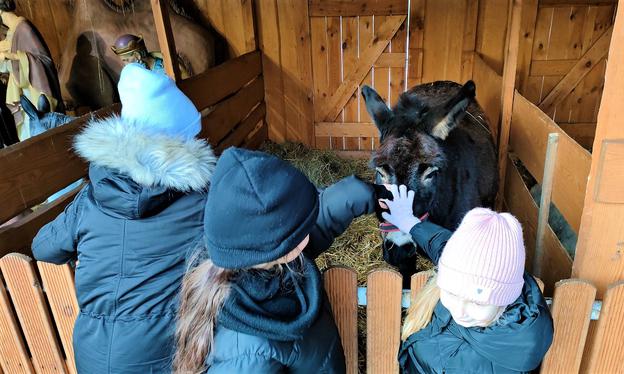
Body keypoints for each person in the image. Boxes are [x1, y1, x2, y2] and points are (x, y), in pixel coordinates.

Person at [31, 63, 214, 373]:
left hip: (91, 352)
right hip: (159, 355)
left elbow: (43, 248)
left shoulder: (91, 199)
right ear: (180, 143)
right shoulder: (202, 202)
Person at [174, 147, 377, 373]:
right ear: (282, 245)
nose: (308, 230)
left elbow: (312, 225)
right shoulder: (248, 356)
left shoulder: (255, 258)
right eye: (301, 227)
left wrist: (357, 194)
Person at [380, 185, 554, 373]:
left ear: (505, 300)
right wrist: (410, 223)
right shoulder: (483, 279)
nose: (460, 311)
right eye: (451, 292)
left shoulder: (501, 365)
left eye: (478, 303)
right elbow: (442, 245)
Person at [0, 0, 63, 141]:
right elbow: (11, 65)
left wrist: (12, 57)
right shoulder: (12, 32)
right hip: (24, 95)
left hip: (35, 93)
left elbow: (44, 60)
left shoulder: (23, 28)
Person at [111, 33, 191, 78]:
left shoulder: (165, 67)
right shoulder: (135, 76)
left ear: (137, 55)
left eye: (126, 60)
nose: (125, 65)